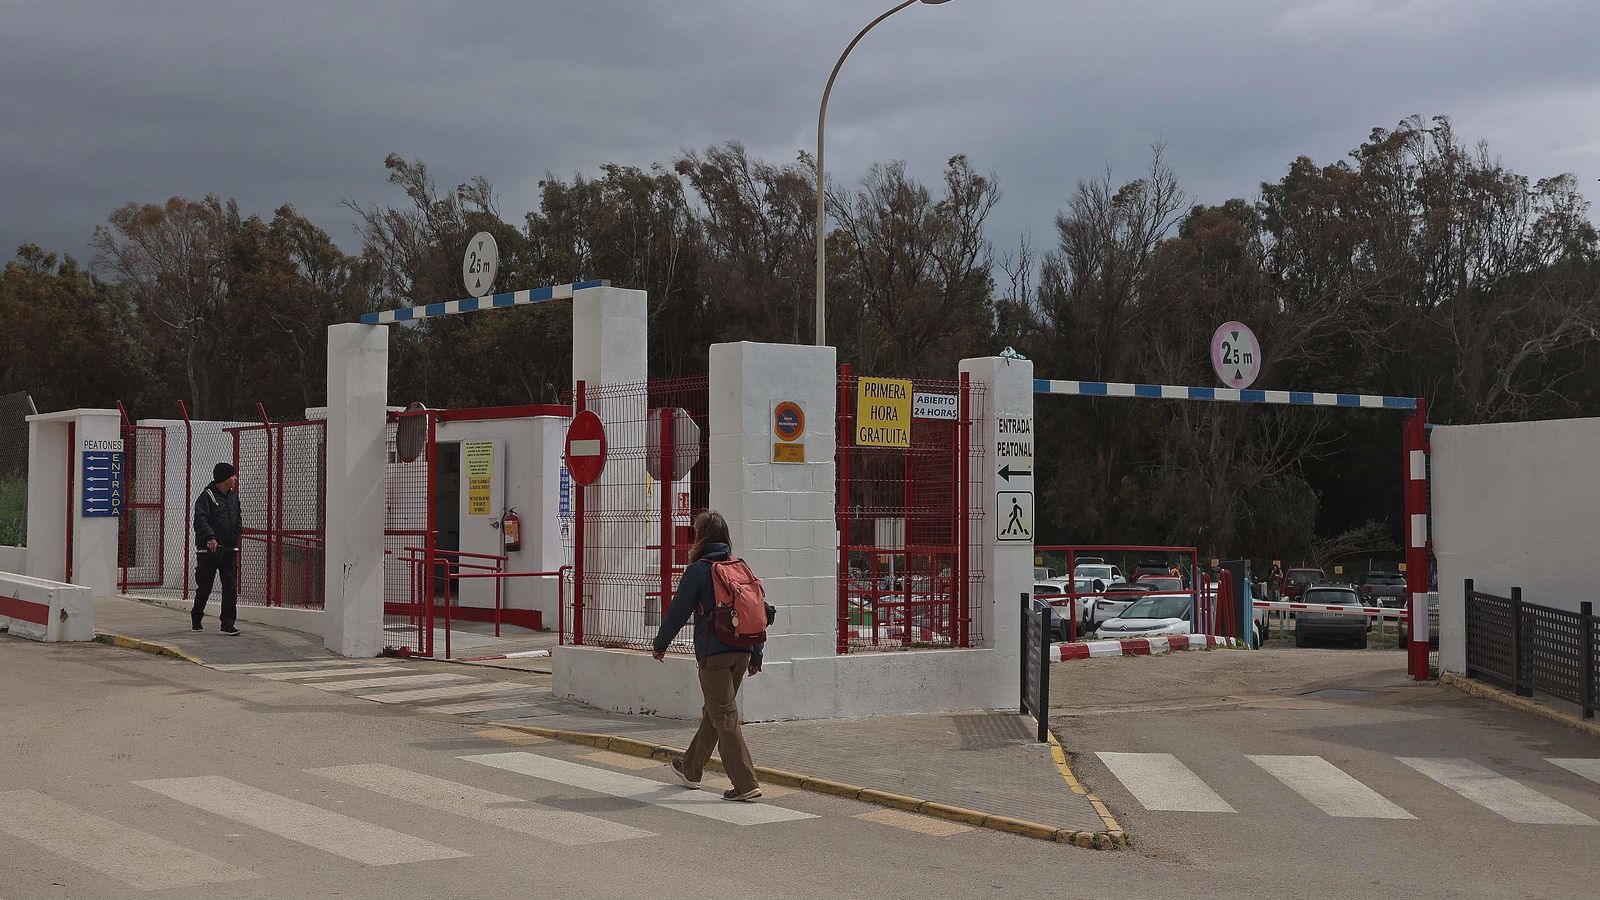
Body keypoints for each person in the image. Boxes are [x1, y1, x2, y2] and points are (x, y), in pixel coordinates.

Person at [651, 510, 764, 802]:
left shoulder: (699, 570)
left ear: (700, 538)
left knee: (723, 714)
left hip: (714, 654)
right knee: (715, 712)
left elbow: (678, 611)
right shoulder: (739, 567)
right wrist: (756, 655)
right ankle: (691, 768)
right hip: (741, 651)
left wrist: (660, 643)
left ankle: (745, 783)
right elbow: (759, 612)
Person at [191, 462, 243, 636]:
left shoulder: (233, 498)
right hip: (210, 552)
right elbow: (200, 519)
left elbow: (237, 519)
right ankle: (197, 618)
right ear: (224, 478)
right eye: (232, 475)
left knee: (230, 586)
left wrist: (236, 533)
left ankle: (228, 624)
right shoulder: (206, 497)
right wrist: (210, 537)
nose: (235, 478)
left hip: (228, 551)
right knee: (205, 586)